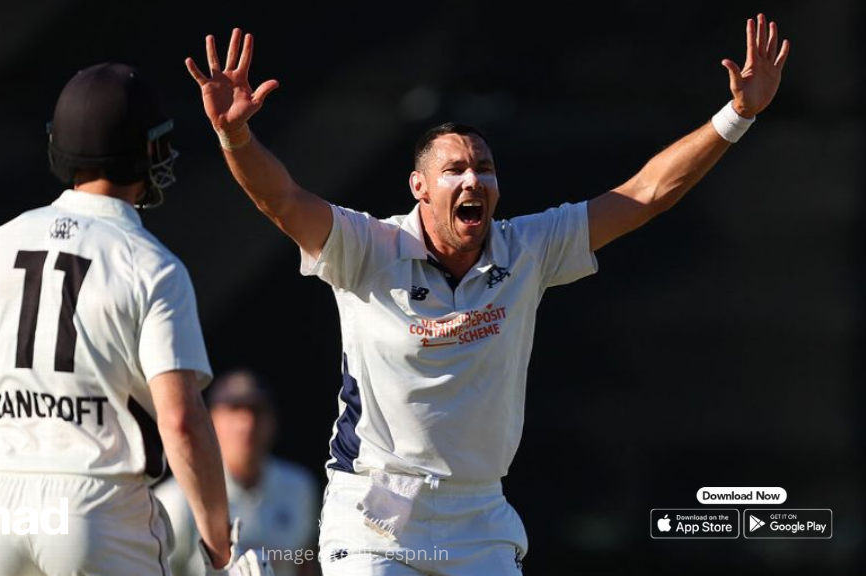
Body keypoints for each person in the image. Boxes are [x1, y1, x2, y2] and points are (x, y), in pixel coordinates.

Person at [185, 15, 789, 576]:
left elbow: (648, 192)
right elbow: (282, 200)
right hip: (377, 507)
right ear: (420, 188)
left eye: (485, 168)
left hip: (480, 514)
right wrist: (234, 134)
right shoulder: (367, 246)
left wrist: (737, 116)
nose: (474, 178)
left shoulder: (528, 247)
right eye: (455, 170)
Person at [0, 63, 271, 575]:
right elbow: (181, 422)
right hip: (98, 506)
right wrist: (221, 548)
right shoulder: (151, 265)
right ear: (147, 152)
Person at [156, 369, 321, 576]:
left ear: (273, 422)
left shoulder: (299, 487)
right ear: (211, 419)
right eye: (234, 409)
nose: (247, 424)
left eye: (257, 411)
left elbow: (306, 564)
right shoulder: (175, 499)